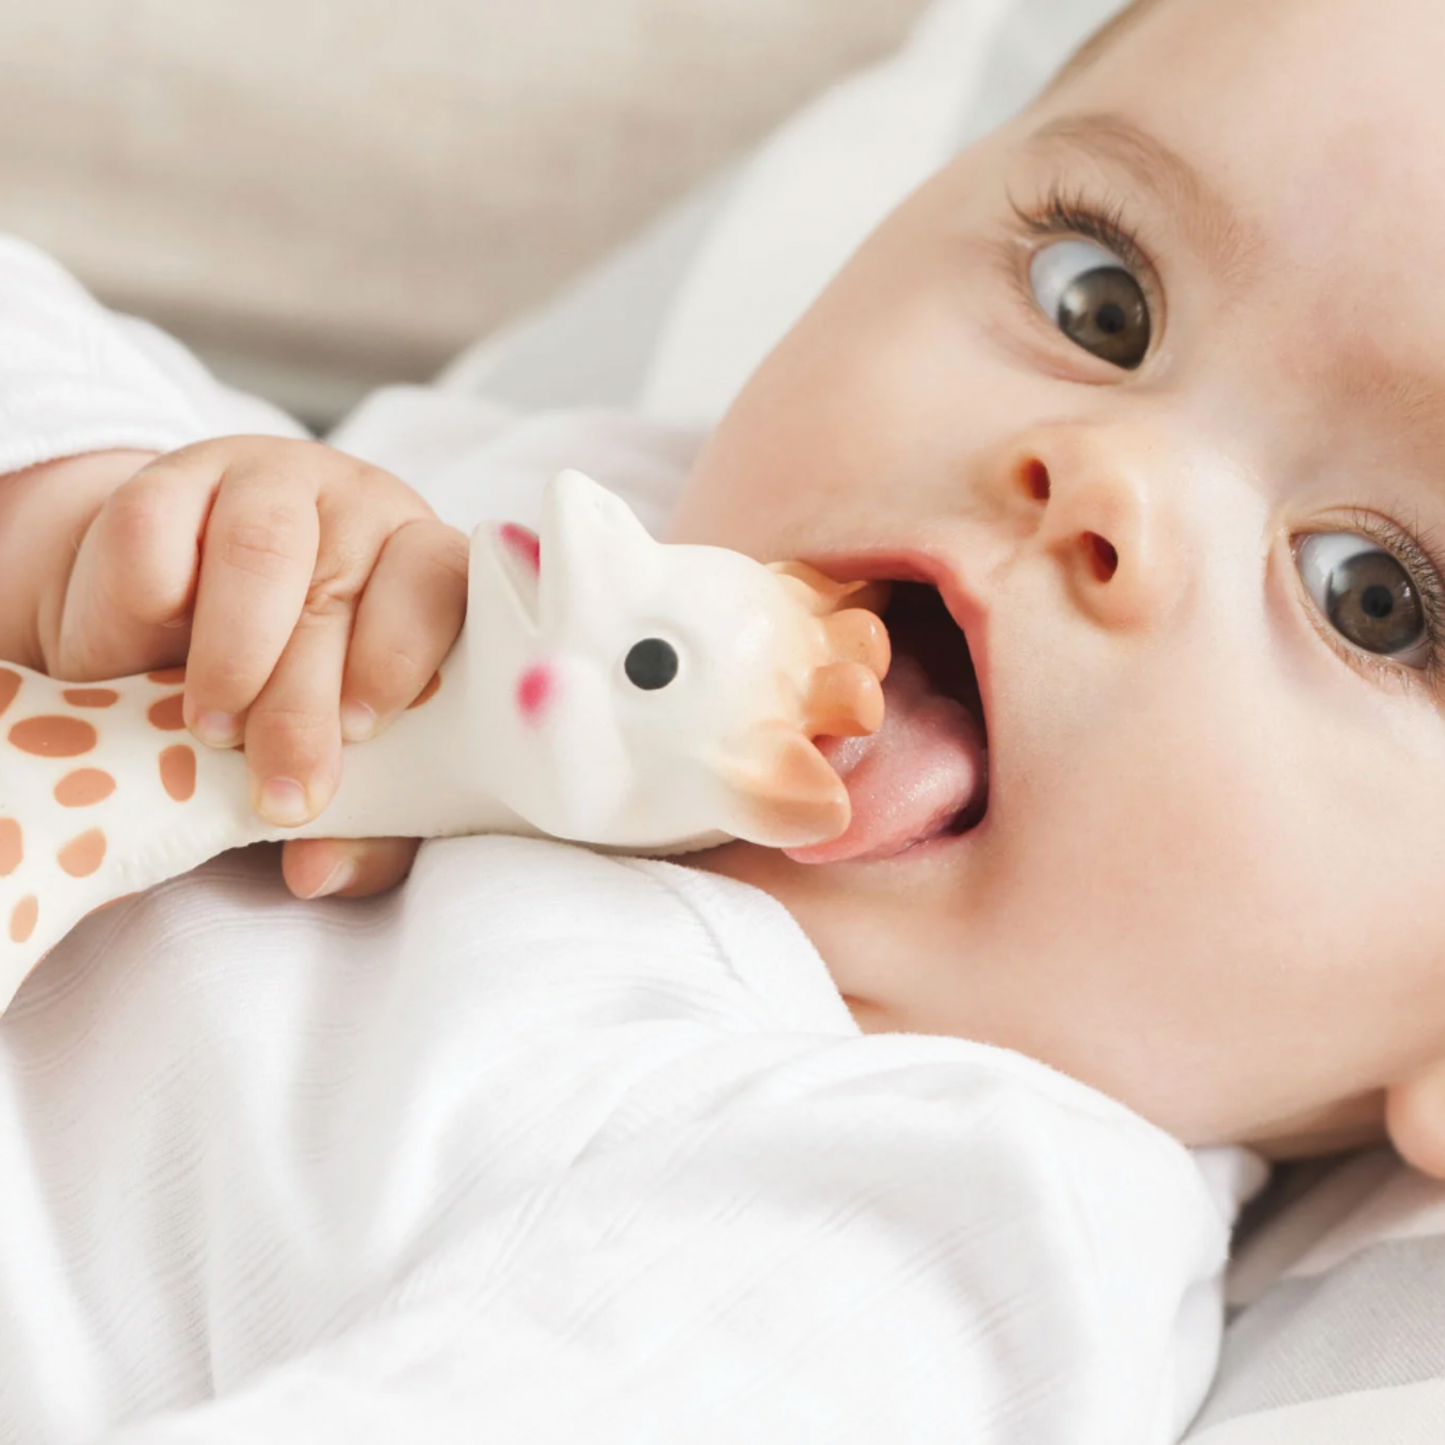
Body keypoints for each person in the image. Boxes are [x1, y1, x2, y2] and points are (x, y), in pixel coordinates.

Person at [0, 0, 1438, 1437]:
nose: (1105, 475)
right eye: (1099, 299)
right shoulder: (566, 521)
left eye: (1375, 599)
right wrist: (89, 505)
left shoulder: (935, 1227)